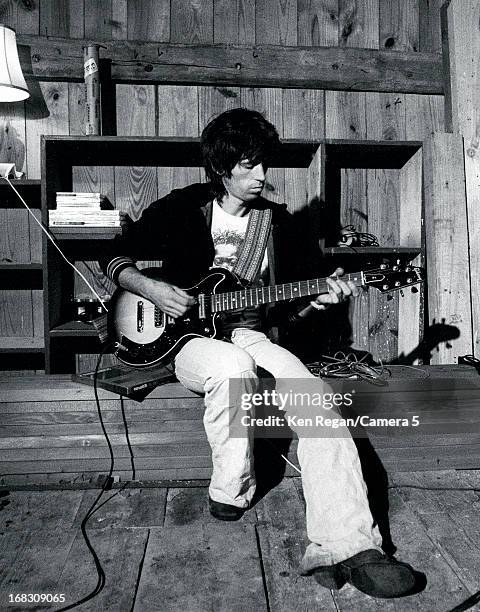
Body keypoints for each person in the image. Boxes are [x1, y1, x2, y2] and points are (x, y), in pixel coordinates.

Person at [101, 108, 422, 598]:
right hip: (182, 341)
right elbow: (115, 255)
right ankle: (230, 490)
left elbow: (283, 313)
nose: (261, 177)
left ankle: (350, 543)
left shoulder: (277, 226)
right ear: (221, 168)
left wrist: (317, 299)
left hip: (247, 332)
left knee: (313, 394)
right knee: (232, 367)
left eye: (264, 165)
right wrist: (148, 286)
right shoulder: (184, 207)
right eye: (249, 166)